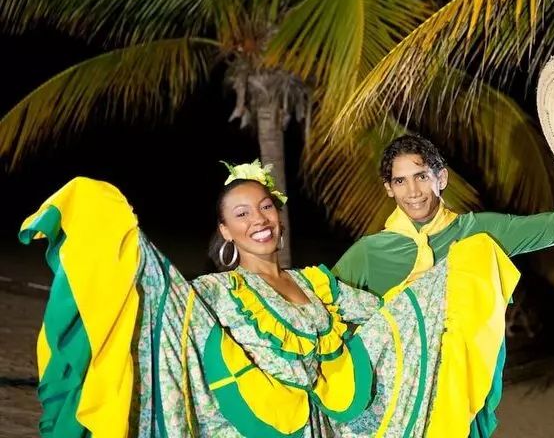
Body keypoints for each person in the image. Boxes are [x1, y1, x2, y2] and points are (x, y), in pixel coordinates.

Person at [21, 160, 520, 437]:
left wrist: (456, 283)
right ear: (225, 230)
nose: (258, 220)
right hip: (257, 429)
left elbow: (390, 321)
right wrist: (100, 222)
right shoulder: (215, 292)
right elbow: (162, 312)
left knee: (471, 259)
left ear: (278, 216)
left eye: (264, 208)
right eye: (241, 214)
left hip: (328, 428)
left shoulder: (319, 284)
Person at [333, 134, 554, 436]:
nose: (413, 191)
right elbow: (322, 306)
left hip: (462, 404)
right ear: (389, 189)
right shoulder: (370, 253)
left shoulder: (479, 232)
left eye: (421, 176)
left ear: (441, 178)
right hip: (392, 414)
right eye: (400, 181)